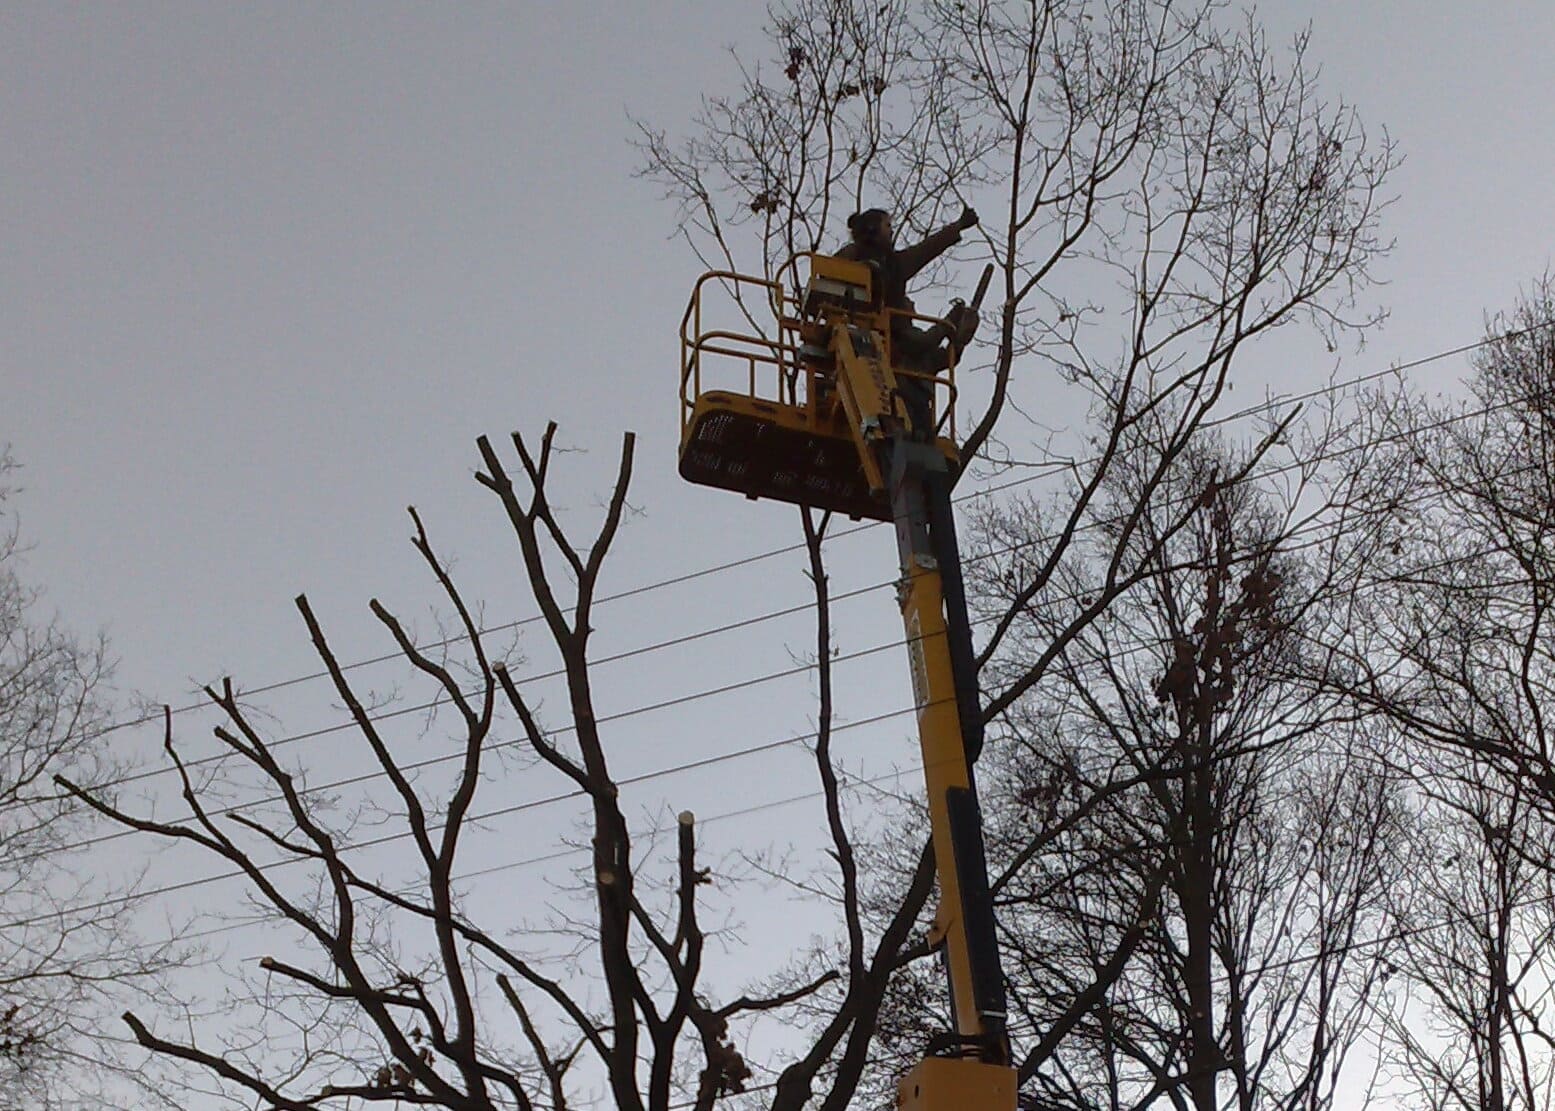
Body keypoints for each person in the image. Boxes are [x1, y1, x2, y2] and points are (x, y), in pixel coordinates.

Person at [837, 205, 981, 432]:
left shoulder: (894, 264)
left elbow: (925, 249)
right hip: (868, 336)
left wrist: (960, 339)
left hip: (914, 409)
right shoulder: (854, 256)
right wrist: (949, 323)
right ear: (872, 228)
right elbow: (923, 342)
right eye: (888, 225)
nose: (892, 231)